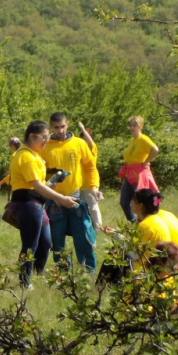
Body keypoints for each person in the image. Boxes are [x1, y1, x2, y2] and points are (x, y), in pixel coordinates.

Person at [7, 121, 78, 289]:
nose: (47, 140)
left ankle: (36, 275)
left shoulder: (35, 155)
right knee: (30, 244)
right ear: (32, 136)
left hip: (36, 204)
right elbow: (36, 186)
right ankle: (25, 282)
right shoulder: (26, 156)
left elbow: (38, 184)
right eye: (44, 137)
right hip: (27, 205)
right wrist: (62, 198)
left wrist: (50, 184)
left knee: (45, 242)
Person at [40, 112, 101, 272]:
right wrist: (46, 185)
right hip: (54, 200)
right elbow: (39, 171)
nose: (60, 130)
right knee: (57, 239)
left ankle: (89, 270)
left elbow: (90, 166)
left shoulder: (79, 143)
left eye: (62, 126)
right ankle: (63, 272)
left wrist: (94, 187)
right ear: (50, 127)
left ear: (68, 124)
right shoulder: (45, 147)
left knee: (82, 235)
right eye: (56, 127)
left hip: (75, 198)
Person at [119, 115, 159, 223]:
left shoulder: (143, 139)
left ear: (140, 126)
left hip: (139, 176)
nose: (132, 128)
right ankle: (133, 222)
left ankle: (143, 222)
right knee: (124, 202)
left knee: (140, 202)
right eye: (130, 125)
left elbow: (155, 149)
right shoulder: (133, 140)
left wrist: (146, 162)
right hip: (129, 175)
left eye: (135, 125)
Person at [131, 189, 172, 269]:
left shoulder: (145, 226)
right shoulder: (156, 220)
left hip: (145, 274)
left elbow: (134, 254)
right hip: (158, 272)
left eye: (133, 200)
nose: (131, 202)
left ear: (140, 205)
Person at [77, 123, 104, 231]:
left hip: (90, 182)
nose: (86, 140)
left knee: (92, 207)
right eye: (84, 137)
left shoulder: (92, 148)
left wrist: (82, 129)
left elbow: (91, 143)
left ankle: (98, 228)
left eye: (88, 136)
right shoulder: (78, 149)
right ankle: (85, 227)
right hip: (79, 183)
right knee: (81, 207)